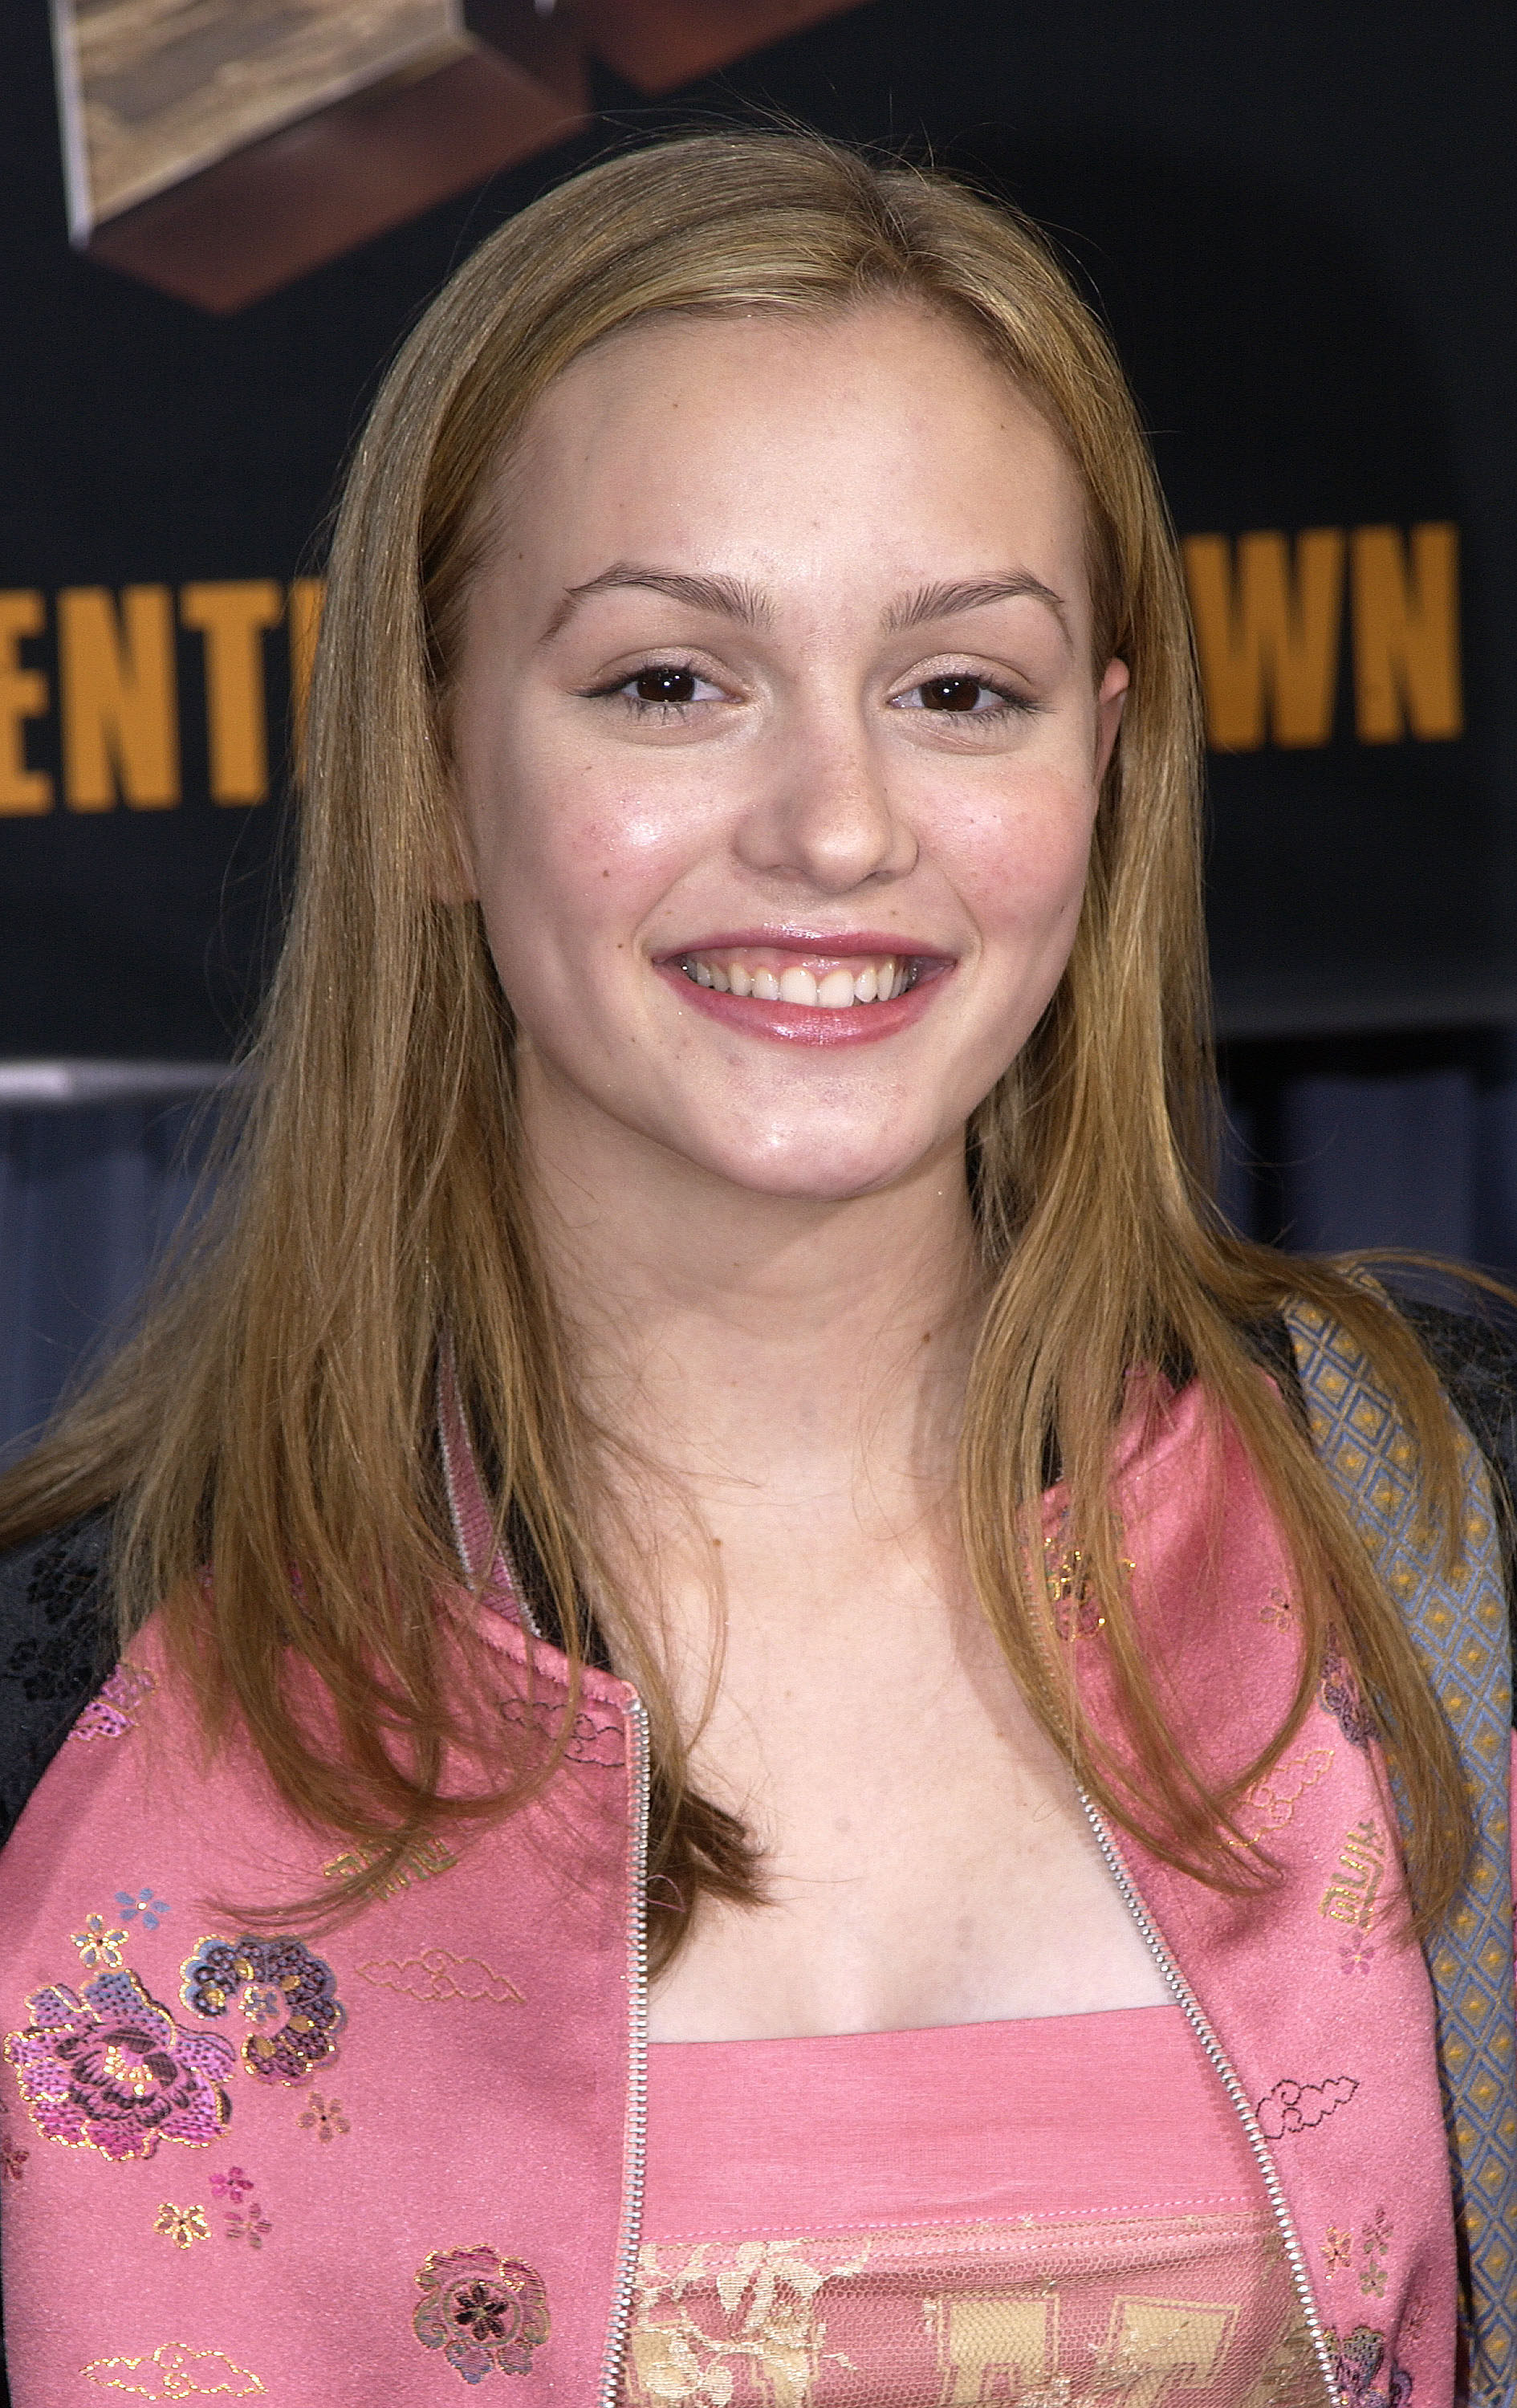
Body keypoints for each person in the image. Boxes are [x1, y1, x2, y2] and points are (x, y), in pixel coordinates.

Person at [0, 129, 1511, 2408]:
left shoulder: (1443, 1539)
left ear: (1099, 773)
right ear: (427, 768)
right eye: (667, 683)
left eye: (958, 691)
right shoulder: (60, 1709)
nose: (832, 826)